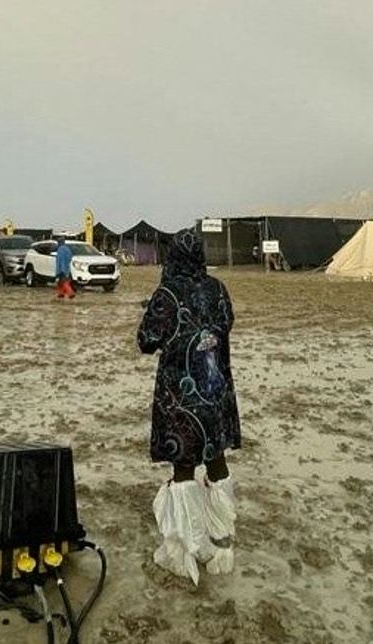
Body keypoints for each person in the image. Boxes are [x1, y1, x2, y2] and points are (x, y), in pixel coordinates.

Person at [137, 228, 241, 583]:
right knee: (216, 460)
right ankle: (222, 542)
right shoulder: (217, 289)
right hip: (215, 391)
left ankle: (185, 551)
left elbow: (146, 340)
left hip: (180, 399)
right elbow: (226, 324)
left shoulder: (167, 293)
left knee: (183, 469)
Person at [54, 236, 76, 301]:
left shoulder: (60, 249)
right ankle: (61, 294)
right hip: (67, 268)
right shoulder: (67, 249)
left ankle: (70, 293)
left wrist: (61, 270)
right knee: (60, 283)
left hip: (61, 269)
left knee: (63, 282)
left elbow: (60, 260)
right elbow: (70, 257)